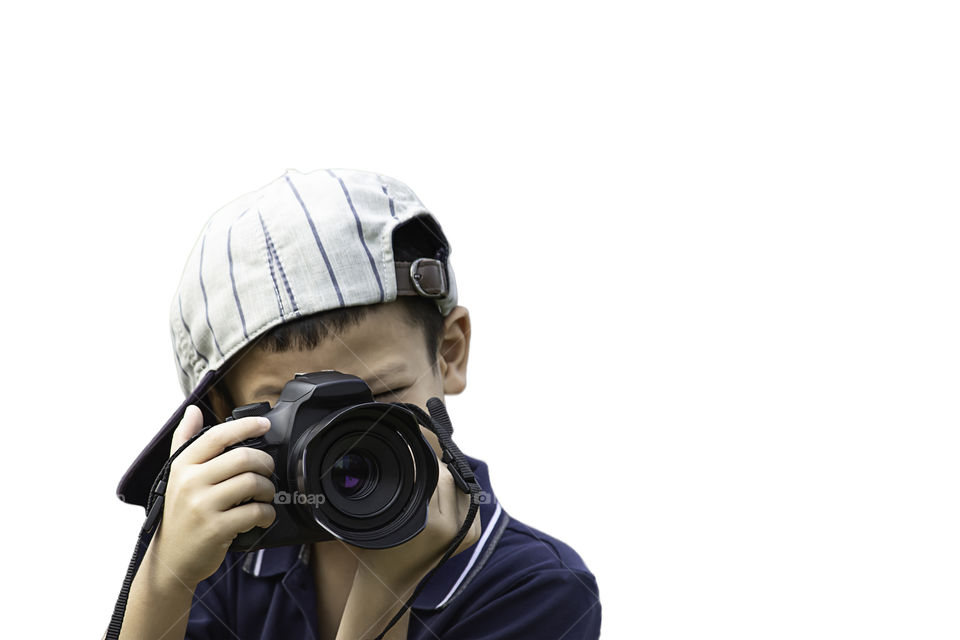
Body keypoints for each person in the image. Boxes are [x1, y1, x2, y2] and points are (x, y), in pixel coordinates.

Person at [111, 168, 601, 639]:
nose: (343, 440)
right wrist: (167, 573)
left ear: (448, 353)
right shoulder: (228, 552)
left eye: (383, 396)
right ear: (223, 412)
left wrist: (385, 595)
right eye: (291, 409)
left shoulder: (535, 588)